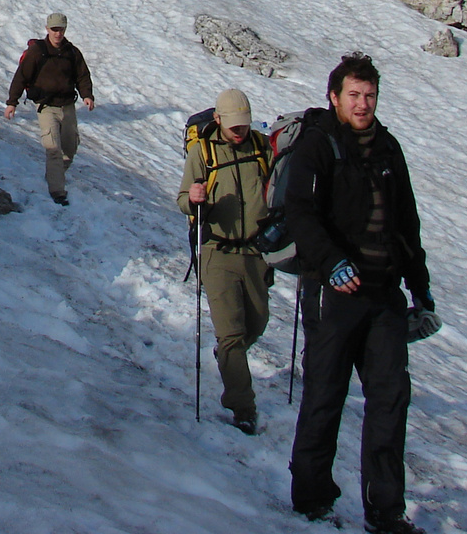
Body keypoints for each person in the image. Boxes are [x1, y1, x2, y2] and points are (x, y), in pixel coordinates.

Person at [286, 53, 434, 534]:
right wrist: (332, 263)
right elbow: (301, 214)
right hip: (333, 293)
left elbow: (406, 223)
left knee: (391, 400)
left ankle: (386, 510)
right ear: (334, 97)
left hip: (383, 294)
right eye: (354, 95)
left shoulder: (388, 148)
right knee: (325, 396)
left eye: (369, 95)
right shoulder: (318, 145)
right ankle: (311, 498)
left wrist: (421, 291)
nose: (363, 103)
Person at [177, 88, 271, 435]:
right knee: (231, 333)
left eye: (244, 124)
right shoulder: (202, 153)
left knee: (256, 323)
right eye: (233, 126)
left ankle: (229, 357)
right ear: (218, 120)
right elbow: (182, 199)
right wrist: (194, 198)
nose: (240, 131)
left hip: (255, 252)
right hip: (217, 251)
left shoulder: (261, 147)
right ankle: (242, 405)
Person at [4, 13, 94, 205]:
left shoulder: (72, 53)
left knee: (70, 148)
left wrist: (87, 95)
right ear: (47, 29)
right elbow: (21, 76)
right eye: (54, 29)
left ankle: (54, 175)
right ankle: (57, 191)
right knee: (53, 148)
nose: (57, 33)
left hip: (68, 106)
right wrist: (12, 102)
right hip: (46, 107)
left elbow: (82, 76)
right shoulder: (37, 52)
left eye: (60, 29)